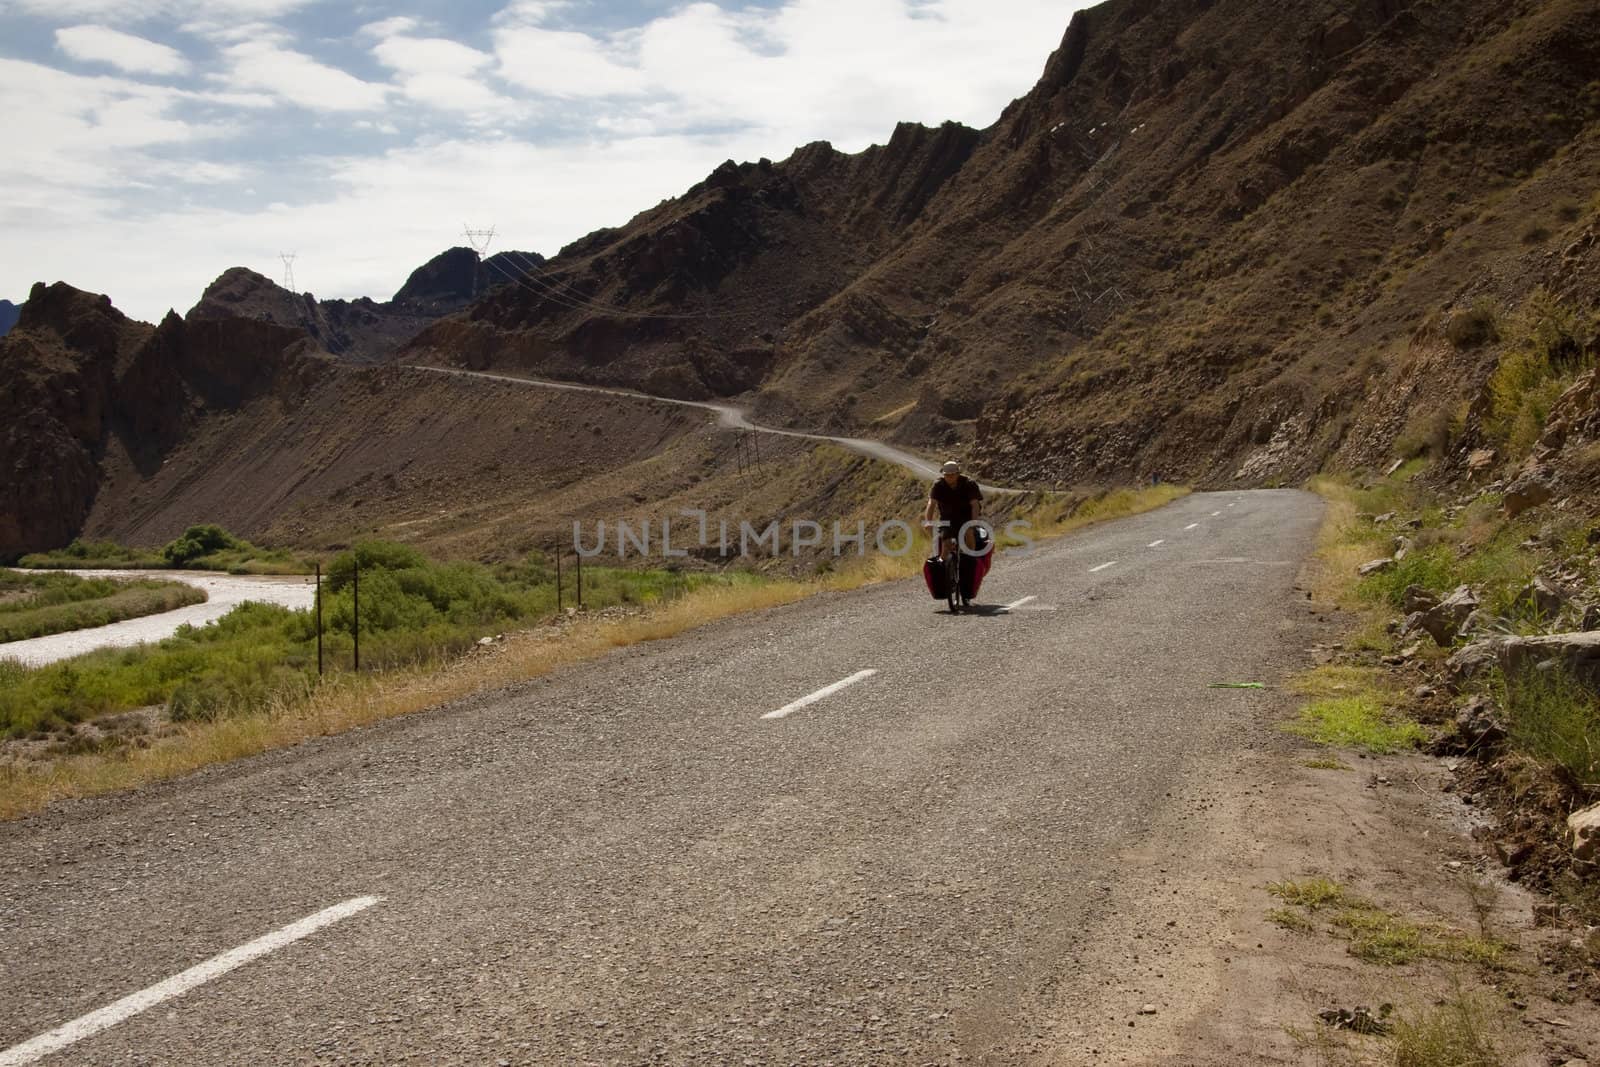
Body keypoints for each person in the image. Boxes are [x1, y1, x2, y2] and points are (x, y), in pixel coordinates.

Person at [923, 459, 983, 557]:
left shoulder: (969, 483)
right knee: (946, 543)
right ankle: (944, 567)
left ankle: (970, 558)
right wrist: (928, 521)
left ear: (958, 474)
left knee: (968, 532)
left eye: (952, 474)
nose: (949, 477)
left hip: (966, 517)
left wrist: (973, 521)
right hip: (947, 519)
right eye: (946, 475)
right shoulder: (938, 485)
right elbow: (931, 504)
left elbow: (975, 505)